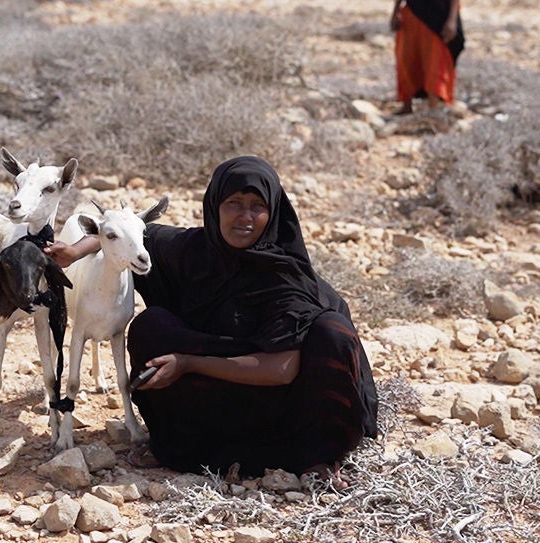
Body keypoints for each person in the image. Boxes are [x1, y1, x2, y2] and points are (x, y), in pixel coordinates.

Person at [46, 156, 378, 487]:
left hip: (286, 407)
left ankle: (316, 457)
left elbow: (282, 368)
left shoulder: (286, 276)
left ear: (273, 211)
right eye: (234, 203)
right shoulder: (193, 250)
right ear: (215, 204)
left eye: (257, 206)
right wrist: (75, 251)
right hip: (222, 396)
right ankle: (179, 445)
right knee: (151, 327)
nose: (245, 217)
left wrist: (188, 362)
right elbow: (129, 234)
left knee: (331, 333)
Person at [390, 0, 465, 115]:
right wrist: (395, 12)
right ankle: (406, 105)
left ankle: (433, 109)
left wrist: (452, 20)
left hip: (438, 17)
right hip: (412, 12)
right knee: (406, 59)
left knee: (435, 62)